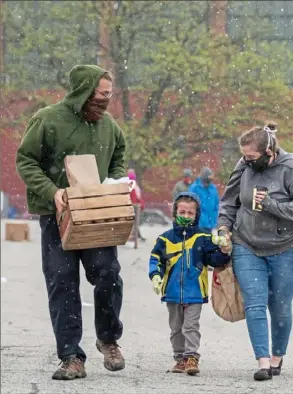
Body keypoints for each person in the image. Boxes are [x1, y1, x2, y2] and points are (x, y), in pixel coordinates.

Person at [16, 65, 127, 379]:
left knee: (108, 274)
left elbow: (119, 152)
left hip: (96, 214)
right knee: (62, 283)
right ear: (85, 91)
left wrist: (115, 183)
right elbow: (25, 159)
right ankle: (71, 357)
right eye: (103, 93)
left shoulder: (109, 126)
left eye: (109, 93)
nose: (107, 99)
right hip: (56, 217)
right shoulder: (47, 120)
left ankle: (108, 339)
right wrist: (52, 191)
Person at [217, 122, 293, 381]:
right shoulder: (244, 166)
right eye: (244, 157)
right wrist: (224, 227)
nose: (246, 162)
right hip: (247, 243)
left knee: (279, 306)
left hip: (288, 247)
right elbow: (229, 201)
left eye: (251, 157)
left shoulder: (290, 168)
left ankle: (277, 356)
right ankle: (262, 361)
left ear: (268, 151)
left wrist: (270, 204)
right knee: (254, 303)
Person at [149, 192, 231, 375]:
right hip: (171, 291)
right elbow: (156, 259)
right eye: (182, 212)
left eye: (190, 213)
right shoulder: (165, 239)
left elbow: (213, 259)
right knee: (176, 328)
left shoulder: (203, 236)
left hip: (195, 291)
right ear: (175, 212)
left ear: (196, 215)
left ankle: (192, 357)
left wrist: (224, 251)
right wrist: (155, 275)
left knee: (191, 326)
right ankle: (179, 359)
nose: (186, 216)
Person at [127, 169, 146, 242]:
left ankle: (137, 235)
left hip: (137, 206)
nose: (132, 175)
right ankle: (133, 236)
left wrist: (141, 204)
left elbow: (138, 196)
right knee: (133, 222)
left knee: (135, 222)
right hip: (133, 206)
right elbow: (131, 196)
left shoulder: (135, 184)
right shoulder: (130, 184)